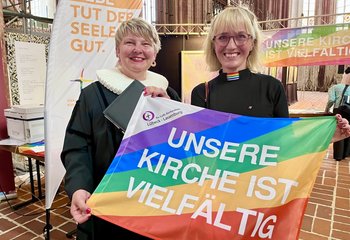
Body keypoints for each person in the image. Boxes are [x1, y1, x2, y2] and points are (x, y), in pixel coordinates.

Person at [61, 17, 180, 240]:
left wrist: (169, 111)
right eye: (129, 43)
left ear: (155, 53)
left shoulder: (169, 94)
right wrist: (78, 187)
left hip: (154, 208)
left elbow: (180, 149)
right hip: (107, 208)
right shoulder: (92, 95)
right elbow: (77, 146)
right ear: (117, 50)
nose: (138, 50)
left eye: (146, 44)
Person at [191, 6, 350, 145]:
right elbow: (193, 146)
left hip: (262, 178)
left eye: (241, 36)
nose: (231, 45)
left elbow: (285, 140)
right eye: (222, 37)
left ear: (252, 42)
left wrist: (325, 137)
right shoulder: (201, 93)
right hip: (218, 178)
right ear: (214, 44)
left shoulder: (271, 87)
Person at [325, 67, 350, 160]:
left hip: (339, 111)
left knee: (340, 130)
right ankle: (347, 153)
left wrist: (327, 110)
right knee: (348, 131)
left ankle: (339, 156)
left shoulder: (335, 87)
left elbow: (331, 100)